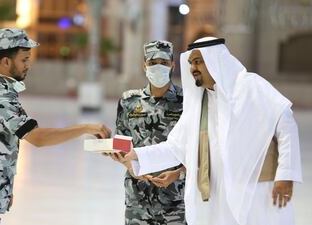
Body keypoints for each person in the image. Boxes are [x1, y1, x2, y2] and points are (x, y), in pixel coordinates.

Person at [125, 37, 302, 225]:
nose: (193, 68)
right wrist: (136, 154)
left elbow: (286, 125)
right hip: (223, 195)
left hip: (260, 190)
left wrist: (286, 174)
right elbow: (175, 147)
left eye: (198, 61)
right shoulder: (200, 104)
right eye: (191, 63)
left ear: (216, 61)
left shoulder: (251, 86)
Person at [0, 28, 111, 225]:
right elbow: (37, 137)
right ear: (6, 61)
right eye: (23, 60)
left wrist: (3, 187)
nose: (28, 65)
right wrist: (86, 128)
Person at [106, 40, 186, 225]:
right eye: (152, 63)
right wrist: (128, 165)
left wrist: (178, 174)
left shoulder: (186, 101)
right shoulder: (129, 101)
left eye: (164, 63)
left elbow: (194, 151)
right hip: (138, 198)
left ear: (172, 65)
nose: (158, 67)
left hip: (175, 198)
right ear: (144, 65)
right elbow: (121, 144)